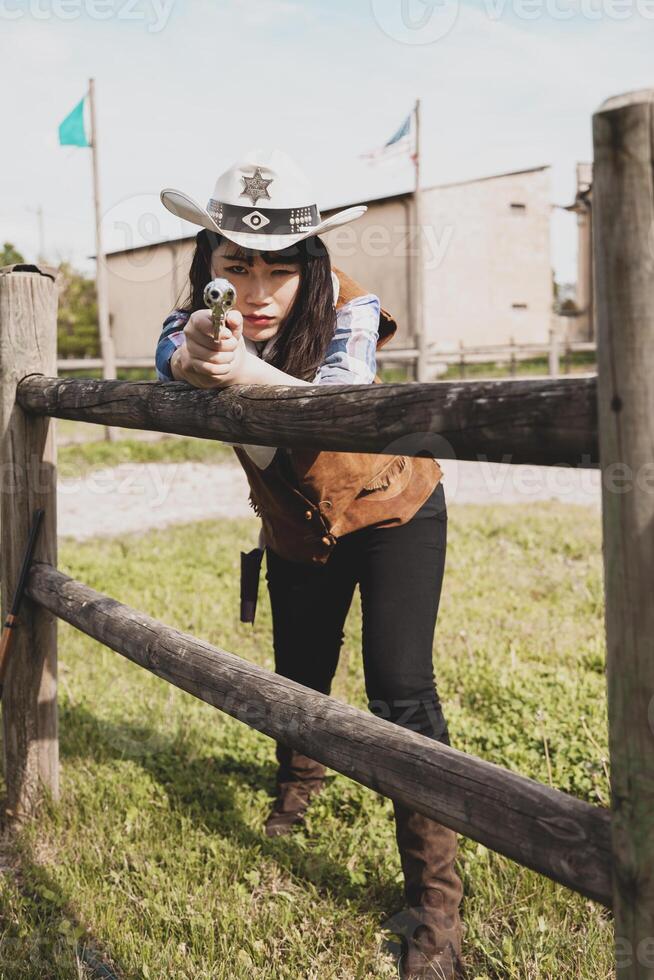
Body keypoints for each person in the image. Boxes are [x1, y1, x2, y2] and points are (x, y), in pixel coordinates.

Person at [156, 150, 464, 979]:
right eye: (236, 268)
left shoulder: (353, 312)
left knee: (401, 691)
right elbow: (169, 362)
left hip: (394, 508)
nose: (255, 294)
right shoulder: (192, 319)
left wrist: (244, 374)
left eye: (279, 271)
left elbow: (343, 397)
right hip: (295, 526)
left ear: (310, 268)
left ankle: (435, 907)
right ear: (208, 266)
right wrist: (190, 362)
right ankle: (296, 793)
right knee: (296, 675)